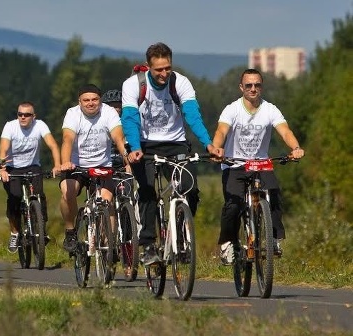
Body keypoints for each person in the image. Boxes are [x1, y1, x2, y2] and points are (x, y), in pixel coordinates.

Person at [121, 42, 222, 265]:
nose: (164, 74)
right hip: (144, 145)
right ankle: (148, 245)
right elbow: (129, 118)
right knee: (147, 191)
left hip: (175, 143)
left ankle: (179, 236)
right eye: (158, 70)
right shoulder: (133, 85)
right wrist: (135, 147)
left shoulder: (180, 82)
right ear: (148, 67)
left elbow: (192, 116)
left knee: (190, 189)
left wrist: (208, 144)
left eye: (167, 68)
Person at [211, 68, 305, 263]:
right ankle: (228, 244)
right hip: (234, 164)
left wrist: (295, 147)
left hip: (261, 163)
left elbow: (285, 131)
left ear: (261, 87)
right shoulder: (232, 109)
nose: (253, 89)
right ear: (241, 87)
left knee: (275, 193)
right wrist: (216, 149)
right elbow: (221, 131)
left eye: (257, 85)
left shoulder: (270, 109)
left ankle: (274, 239)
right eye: (249, 85)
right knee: (232, 205)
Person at [58, 85, 129, 254]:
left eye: (95, 99)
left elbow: (119, 138)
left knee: (107, 201)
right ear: (80, 102)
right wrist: (66, 161)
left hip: (102, 166)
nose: (91, 103)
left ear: (100, 100)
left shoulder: (109, 112)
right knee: (68, 192)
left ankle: (108, 245)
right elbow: (67, 139)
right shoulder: (72, 114)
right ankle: (70, 232)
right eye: (86, 100)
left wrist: (128, 162)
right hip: (77, 165)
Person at [0, 101, 61, 252]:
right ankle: (14, 233)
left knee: (39, 196)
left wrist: (57, 164)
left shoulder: (40, 125)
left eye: (27, 115)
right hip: (13, 168)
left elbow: (52, 145)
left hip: (33, 167)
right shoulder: (10, 126)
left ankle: (41, 228)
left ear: (34, 116)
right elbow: (3, 149)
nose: (23, 117)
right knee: (15, 197)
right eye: (20, 114)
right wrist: (2, 169)